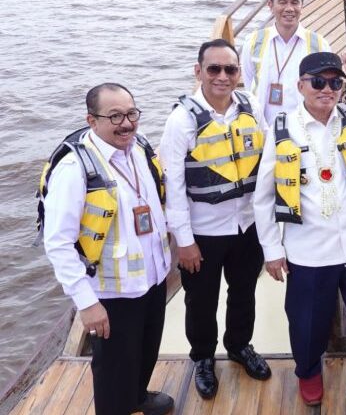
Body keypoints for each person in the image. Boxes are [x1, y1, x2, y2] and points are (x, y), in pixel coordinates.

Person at [254, 51, 346, 415]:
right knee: (307, 324)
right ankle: (309, 371)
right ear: (300, 86)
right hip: (309, 251)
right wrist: (272, 249)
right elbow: (263, 197)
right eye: (318, 81)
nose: (327, 89)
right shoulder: (282, 128)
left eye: (335, 82)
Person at [41, 83, 173, 415]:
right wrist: (87, 304)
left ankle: (137, 397)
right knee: (114, 371)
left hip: (153, 280)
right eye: (115, 116)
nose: (126, 123)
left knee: (145, 352)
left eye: (131, 113)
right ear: (92, 120)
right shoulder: (74, 170)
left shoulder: (140, 148)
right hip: (113, 294)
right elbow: (57, 243)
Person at [159, 39, 270, 400]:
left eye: (230, 69)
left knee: (244, 292)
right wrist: (184, 241)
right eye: (214, 69)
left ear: (239, 73)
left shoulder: (251, 105)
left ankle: (239, 345)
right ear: (199, 71)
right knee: (201, 301)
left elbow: (268, 158)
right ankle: (203, 357)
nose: (223, 76)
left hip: (247, 225)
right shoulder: (181, 121)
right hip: (204, 231)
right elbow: (174, 185)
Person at [240, 0, 331, 126]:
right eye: (282, 2)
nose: (289, 8)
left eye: (295, 3)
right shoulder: (253, 41)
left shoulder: (319, 44)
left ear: (302, 6)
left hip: (304, 128)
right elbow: (249, 81)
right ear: (270, 5)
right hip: (263, 128)